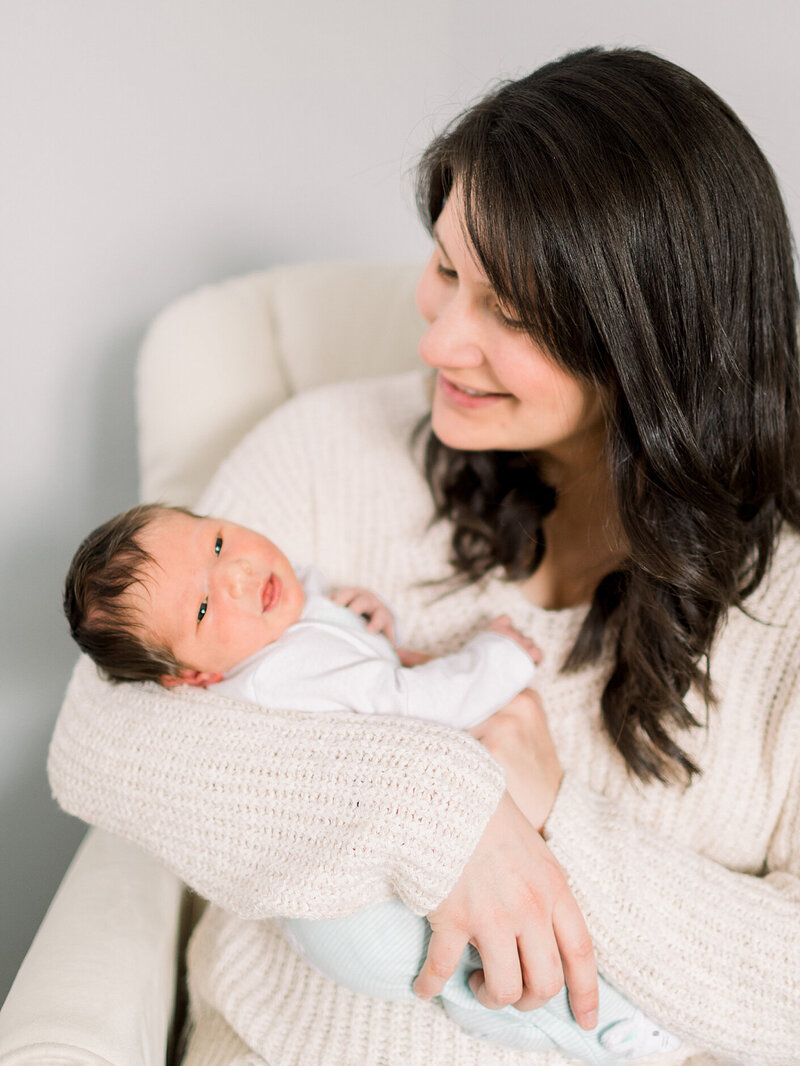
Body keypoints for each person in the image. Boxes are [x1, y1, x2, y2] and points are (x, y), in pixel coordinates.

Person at [48, 46, 800, 1066]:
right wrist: (437, 811)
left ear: (653, 353)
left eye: (511, 314)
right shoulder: (324, 448)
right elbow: (101, 732)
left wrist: (548, 815)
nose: (440, 341)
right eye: (446, 269)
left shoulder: (783, 608)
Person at [63, 503, 679, 1062]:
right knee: (489, 960)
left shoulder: (269, 637)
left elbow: (340, 653)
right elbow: (413, 706)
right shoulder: (287, 671)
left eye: (219, 543)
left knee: (480, 963)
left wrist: (358, 615)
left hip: (328, 910)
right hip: (361, 918)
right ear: (193, 678)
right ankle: (604, 1032)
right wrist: (499, 655)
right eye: (202, 609)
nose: (238, 578)